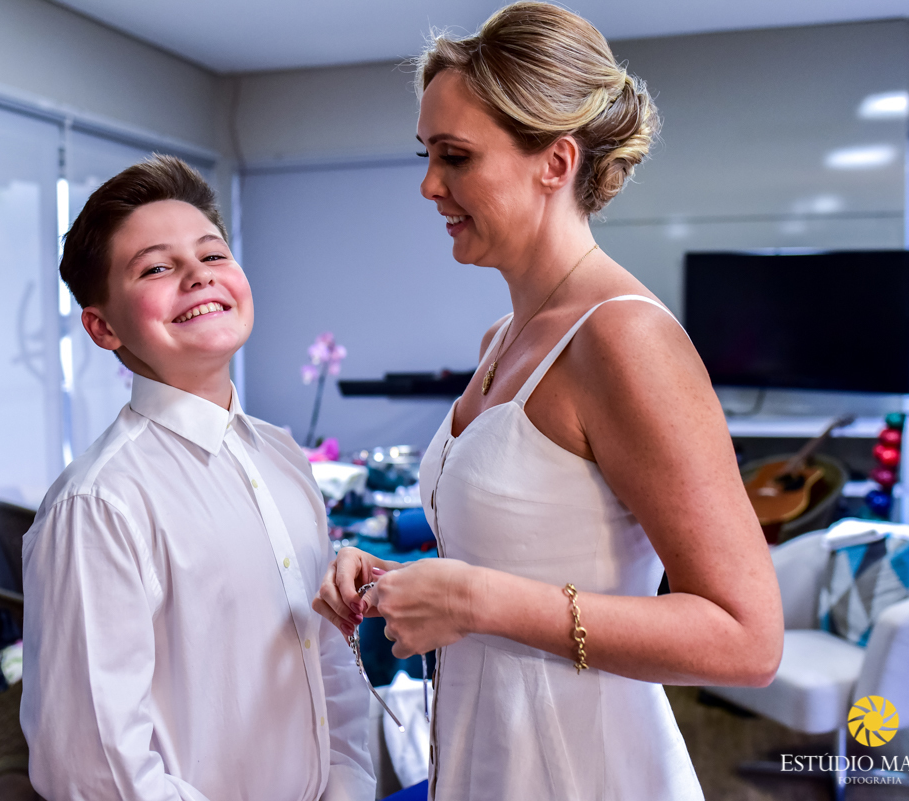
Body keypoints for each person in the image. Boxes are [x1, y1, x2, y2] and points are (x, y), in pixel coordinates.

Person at [313, 4, 783, 799]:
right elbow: (527, 563)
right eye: (428, 155)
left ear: (556, 162)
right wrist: (407, 583)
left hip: (584, 767)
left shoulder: (625, 341)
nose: (429, 185)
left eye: (456, 156)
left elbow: (748, 639)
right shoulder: (504, 336)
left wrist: (474, 596)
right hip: (485, 757)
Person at [21, 155, 375, 801]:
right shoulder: (99, 505)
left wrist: (348, 785)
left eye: (212, 254)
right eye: (156, 267)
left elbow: (327, 663)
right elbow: (95, 770)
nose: (198, 275)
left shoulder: (283, 458)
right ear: (103, 327)